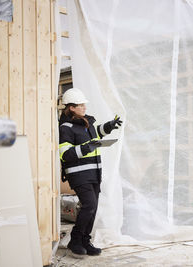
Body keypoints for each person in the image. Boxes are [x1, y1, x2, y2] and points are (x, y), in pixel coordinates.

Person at [58, 88, 122, 258]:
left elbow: (95, 134)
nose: (84, 107)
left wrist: (108, 126)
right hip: (78, 175)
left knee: (92, 209)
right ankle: (75, 240)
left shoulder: (86, 123)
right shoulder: (66, 128)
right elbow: (66, 154)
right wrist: (87, 148)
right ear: (71, 107)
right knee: (89, 206)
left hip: (94, 173)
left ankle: (85, 241)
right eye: (81, 105)